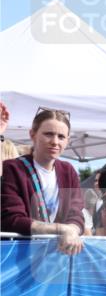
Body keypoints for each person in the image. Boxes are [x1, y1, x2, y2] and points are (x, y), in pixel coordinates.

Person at [0, 108, 85, 255]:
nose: (55, 142)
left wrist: (72, 230)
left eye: (61, 136)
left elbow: (76, 214)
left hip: (58, 255)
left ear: (67, 140)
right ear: (32, 134)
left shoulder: (68, 171)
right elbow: (13, 220)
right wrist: (62, 229)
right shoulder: (13, 168)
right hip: (20, 256)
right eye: (48, 134)